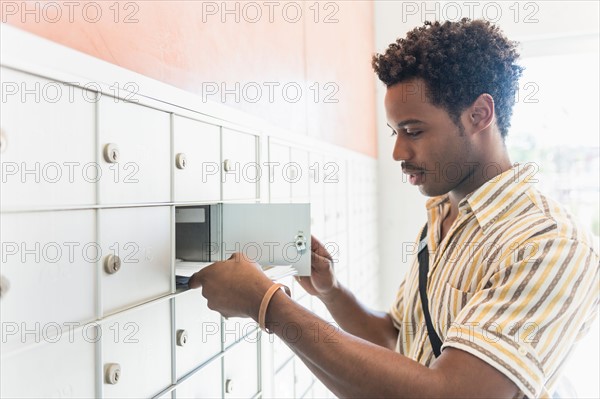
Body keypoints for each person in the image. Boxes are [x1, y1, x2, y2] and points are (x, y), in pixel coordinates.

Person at [189, 19, 599, 398]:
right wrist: (332, 292)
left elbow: (453, 394)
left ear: (479, 115)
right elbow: (396, 339)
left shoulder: (550, 244)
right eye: (394, 131)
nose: (399, 151)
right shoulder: (443, 219)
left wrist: (269, 306)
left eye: (413, 131)